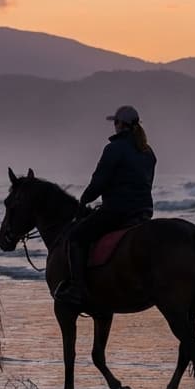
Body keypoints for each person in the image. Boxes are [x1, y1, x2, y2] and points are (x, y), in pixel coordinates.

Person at [54, 105, 156, 307]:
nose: (114, 127)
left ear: (120, 124)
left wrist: (84, 200)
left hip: (118, 211)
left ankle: (76, 289)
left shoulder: (114, 148)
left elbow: (99, 181)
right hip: (144, 211)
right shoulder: (147, 151)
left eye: (115, 123)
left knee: (76, 237)